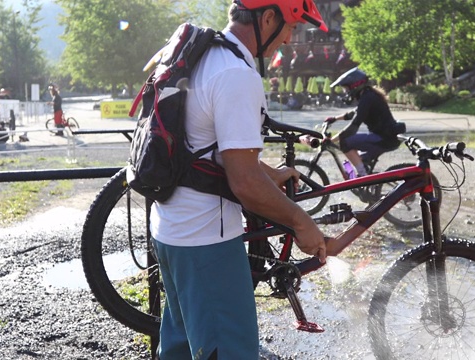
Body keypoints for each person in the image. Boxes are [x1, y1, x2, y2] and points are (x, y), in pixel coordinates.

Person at [150, 1, 328, 359]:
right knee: (228, 350)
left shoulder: (205, 54)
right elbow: (244, 184)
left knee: (181, 349)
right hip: (206, 243)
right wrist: (300, 221)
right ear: (267, 19)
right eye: (291, 26)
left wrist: (270, 174)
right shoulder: (236, 74)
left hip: (171, 233)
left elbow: (207, 148)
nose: (290, 39)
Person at [323, 67, 402, 177]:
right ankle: (365, 178)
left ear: (355, 85)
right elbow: (353, 113)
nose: (346, 92)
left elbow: (353, 126)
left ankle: (362, 176)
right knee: (359, 158)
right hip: (384, 137)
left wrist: (331, 140)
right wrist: (334, 119)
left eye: (346, 88)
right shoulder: (367, 96)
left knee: (345, 142)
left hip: (384, 139)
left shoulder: (367, 98)